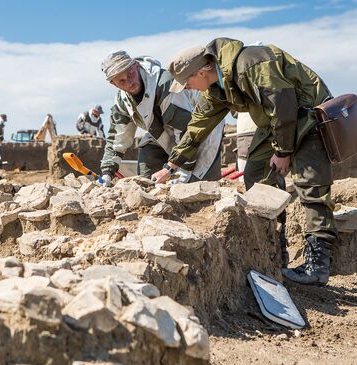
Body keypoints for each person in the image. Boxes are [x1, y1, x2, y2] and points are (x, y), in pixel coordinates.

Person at [164, 38, 336, 286]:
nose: (189, 89)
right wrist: (172, 165)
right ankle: (275, 252)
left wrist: (283, 151)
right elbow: (198, 126)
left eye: (188, 82)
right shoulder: (216, 88)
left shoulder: (249, 63)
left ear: (201, 72)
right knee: (257, 173)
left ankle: (317, 266)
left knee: (311, 184)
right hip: (276, 121)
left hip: (307, 113)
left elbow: (283, 102)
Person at [99, 50, 224, 186]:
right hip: (159, 132)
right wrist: (107, 173)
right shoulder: (122, 101)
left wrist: (177, 170)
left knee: (197, 184)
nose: (129, 83)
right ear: (113, 83)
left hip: (198, 131)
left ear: (136, 65)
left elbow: (185, 131)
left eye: (130, 74)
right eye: (122, 81)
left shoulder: (165, 85)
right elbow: (117, 139)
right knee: (147, 182)